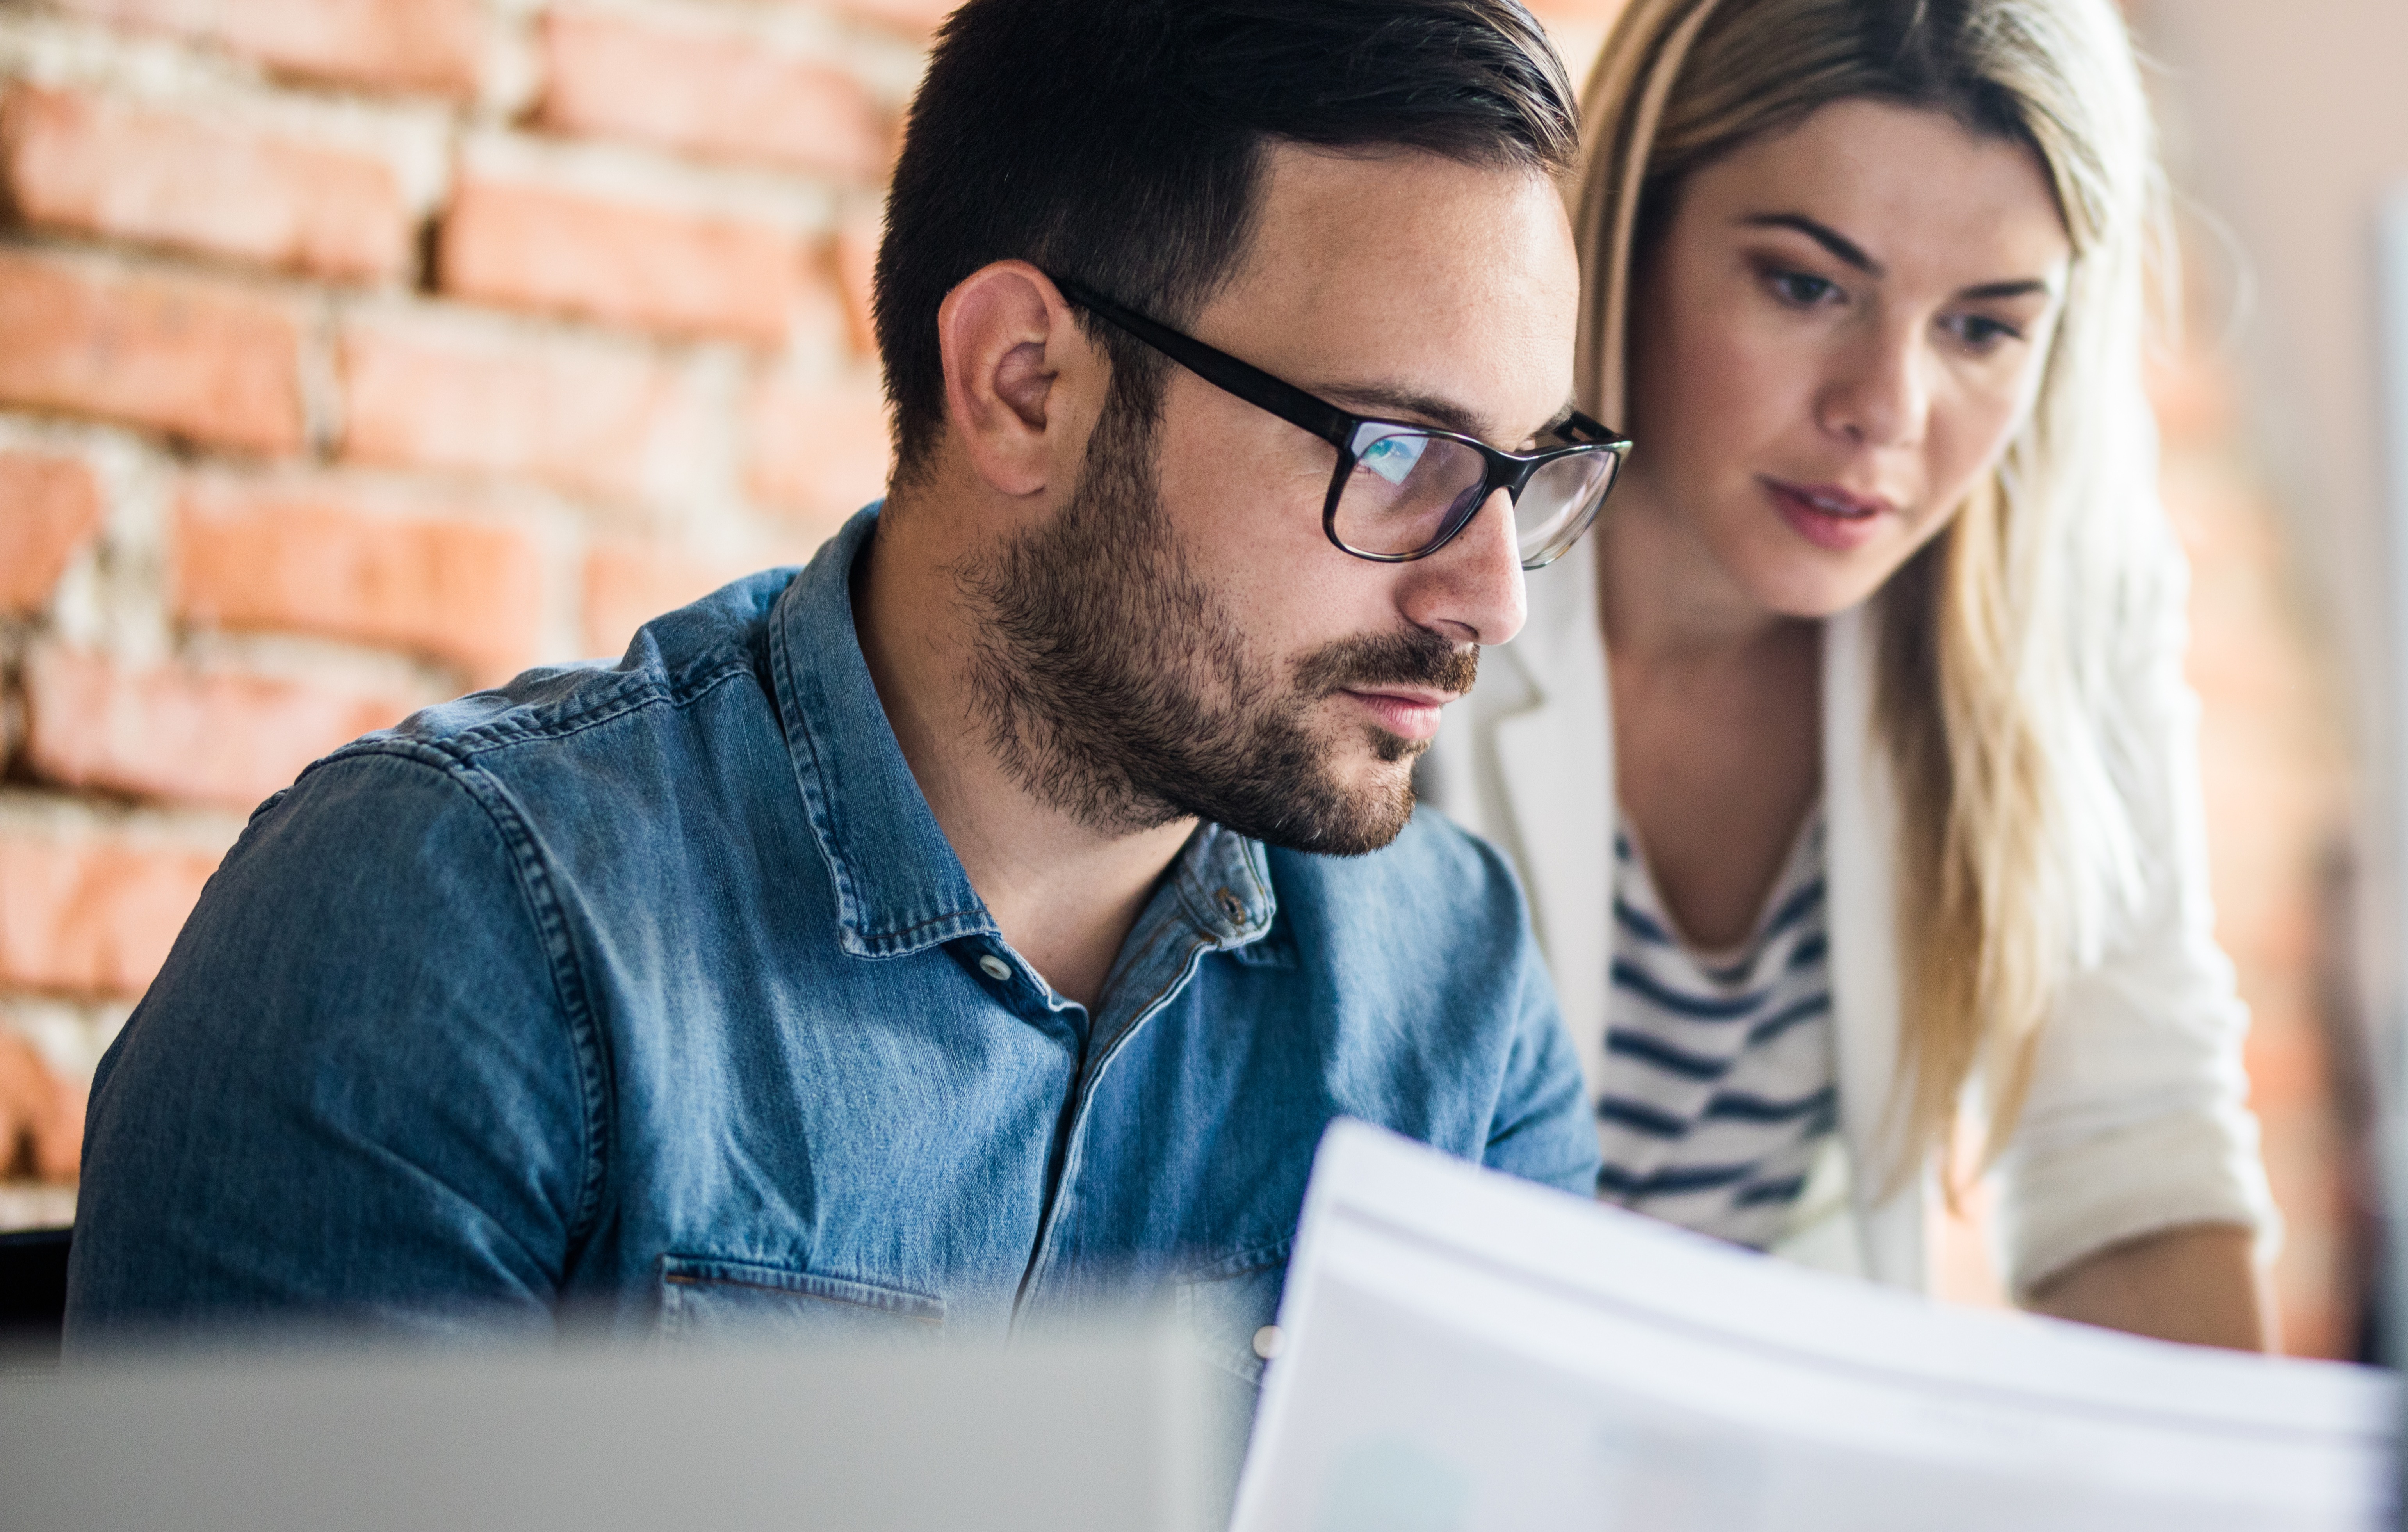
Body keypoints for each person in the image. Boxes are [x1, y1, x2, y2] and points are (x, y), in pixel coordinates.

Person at [68, 0, 1619, 1373]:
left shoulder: (1452, 1004)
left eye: (1527, 472)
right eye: (1397, 454)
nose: (1489, 594)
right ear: (1027, 384)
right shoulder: (452, 930)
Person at [1418, 0, 2283, 1348]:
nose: (1884, 409)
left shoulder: (2061, 603)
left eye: (1983, 329)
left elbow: (2134, 1162)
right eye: (1806, 285)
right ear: (1629, 237)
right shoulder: (1421, 556)